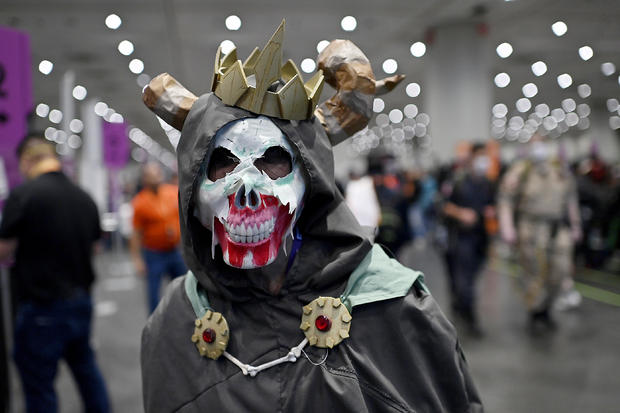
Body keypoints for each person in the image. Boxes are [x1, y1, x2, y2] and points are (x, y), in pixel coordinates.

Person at [139, 21, 482, 412]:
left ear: (310, 185)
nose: (247, 191)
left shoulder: (392, 305)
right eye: (222, 164)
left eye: (274, 161)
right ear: (192, 193)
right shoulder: (176, 320)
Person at [0, 135, 109, 413]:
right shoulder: (84, 197)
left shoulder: (24, 195)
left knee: (39, 387)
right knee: (87, 374)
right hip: (80, 301)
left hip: (41, 306)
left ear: (28, 160)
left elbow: (3, 249)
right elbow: (96, 247)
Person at [498, 135, 581, 331]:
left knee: (560, 270)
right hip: (531, 227)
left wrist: (576, 225)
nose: (539, 148)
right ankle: (535, 311)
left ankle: (547, 306)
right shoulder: (521, 171)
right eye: (535, 144)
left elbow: (571, 199)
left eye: (542, 142)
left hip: (557, 227)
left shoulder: (559, 169)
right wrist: (507, 227)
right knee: (532, 271)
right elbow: (506, 200)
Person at [441, 143, 495, 336]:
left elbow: (492, 205)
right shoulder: (458, 181)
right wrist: (460, 213)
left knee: (473, 277)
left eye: (485, 156)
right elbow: (443, 205)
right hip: (462, 238)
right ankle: (469, 316)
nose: (483, 161)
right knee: (464, 281)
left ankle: (464, 306)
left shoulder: (487, 183)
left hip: (481, 237)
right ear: (470, 158)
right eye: (479, 156)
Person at [130, 162, 187, 314]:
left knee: (185, 287)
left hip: (174, 251)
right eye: (151, 175)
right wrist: (137, 260)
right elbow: (136, 234)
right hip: (153, 253)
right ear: (145, 179)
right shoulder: (140, 202)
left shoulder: (173, 192)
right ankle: (154, 325)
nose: (155, 177)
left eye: (157, 173)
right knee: (153, 292)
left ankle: (186, 317)